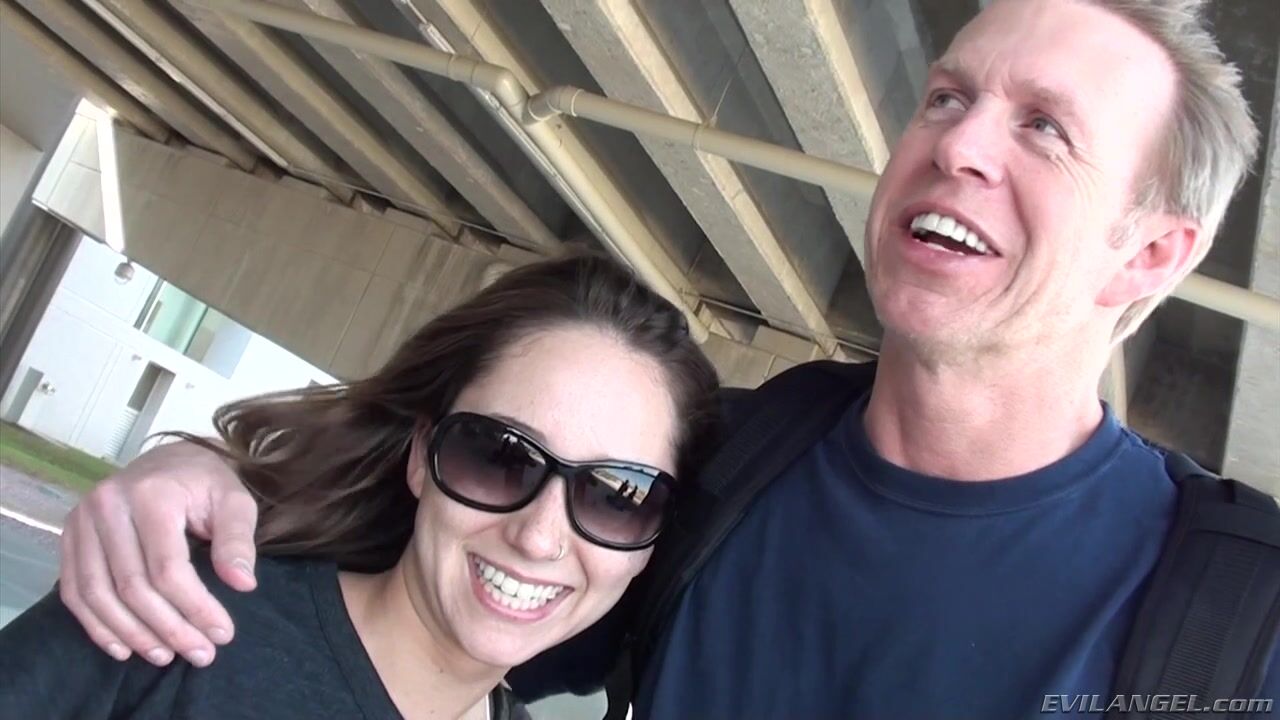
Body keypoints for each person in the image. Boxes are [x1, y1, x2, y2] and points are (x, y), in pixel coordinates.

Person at [42, 0, 1279, 717]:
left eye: (1044, 129)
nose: (958, 146)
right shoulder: (703, 476)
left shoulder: (1237, 625)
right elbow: (419, 555)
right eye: (947, 98)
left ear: (1146, 254)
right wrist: (199, 475)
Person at [0, 253, 720, 719]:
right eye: (499, 455)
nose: (538, 536)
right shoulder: (178, 617)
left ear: (651, 542)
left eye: (616, 497)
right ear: (422, 455)